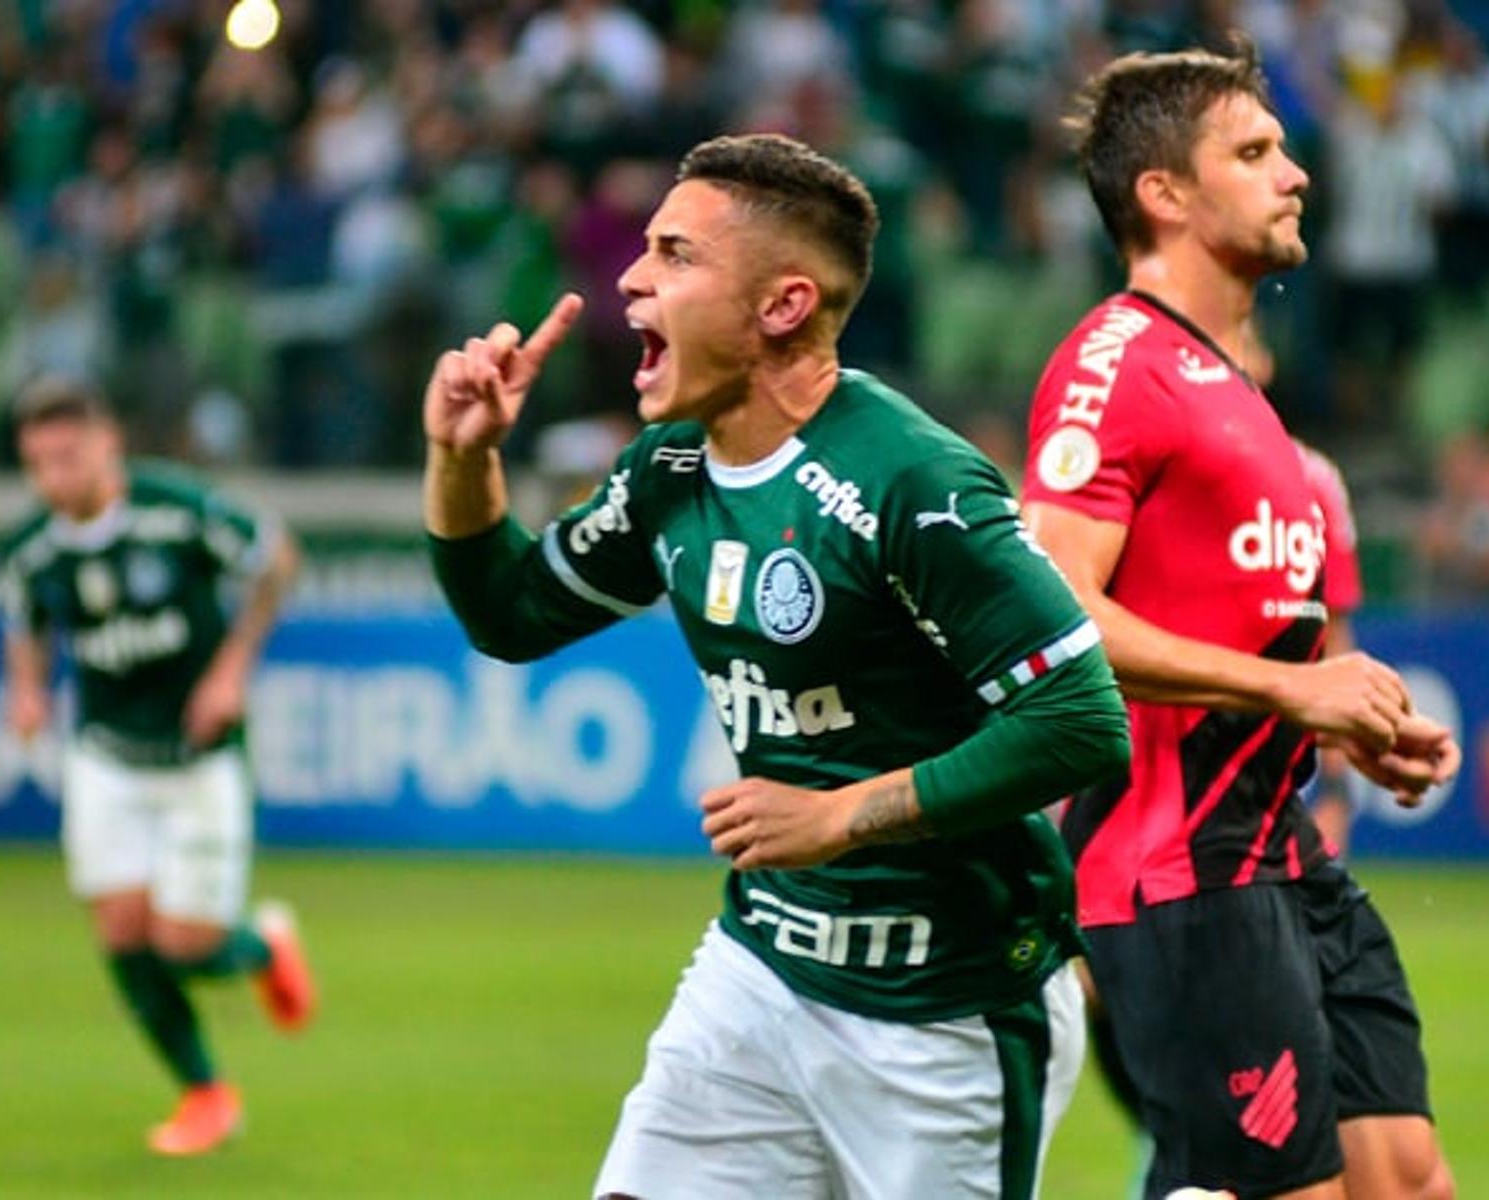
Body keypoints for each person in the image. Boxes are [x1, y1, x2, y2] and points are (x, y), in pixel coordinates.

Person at [423, 133, 1131, 1200]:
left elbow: (1081, 721)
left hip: (946, 1012)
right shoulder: (666, 468)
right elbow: (511, 615)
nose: (631, 276)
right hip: (762, 977)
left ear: (783, 306)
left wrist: (841, 815)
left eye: (675, 254)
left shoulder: (914, 483)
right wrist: (462, 458)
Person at [1020, 46, 1462, 1200]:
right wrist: (1291, 692)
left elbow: (1260, 632)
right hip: (1180, 870)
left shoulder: (1237, 395)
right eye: (1256, 153)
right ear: (1164, 194)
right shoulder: (1114, 363)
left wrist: (1350, 718)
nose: (1297, 174)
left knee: (1404, 1176)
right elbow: (1050, 612)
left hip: (1277, 850)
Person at [1, 377, 316, 1157]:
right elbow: (26, 621)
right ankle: (206, 1093)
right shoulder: (33, 550)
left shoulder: (176, 510)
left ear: (108, 442)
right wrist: (28, 690)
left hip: (198, 760)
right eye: (38, 464)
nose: (54, 479)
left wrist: (231, 671)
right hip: (107, 759)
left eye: (67, 456)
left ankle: (262, 948)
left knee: (185, 944)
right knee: (121, 930)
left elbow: (276, 557)